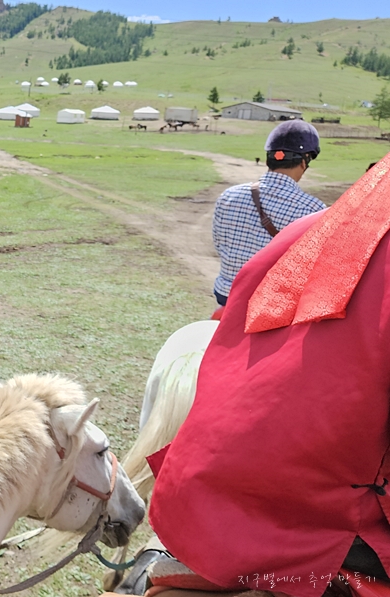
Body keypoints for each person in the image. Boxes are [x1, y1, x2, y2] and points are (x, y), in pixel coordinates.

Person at [150, 153, 390, 597]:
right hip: (325, 523)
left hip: (203, 490)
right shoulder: (306, 206)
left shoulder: (298, 223)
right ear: (305, 162)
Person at [211, 120, 327, 306]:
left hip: (227, 295)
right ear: (303, 162)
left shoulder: (228, 195)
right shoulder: (313, 210)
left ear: (267, 160)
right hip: (268, 304)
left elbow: (219, 245)